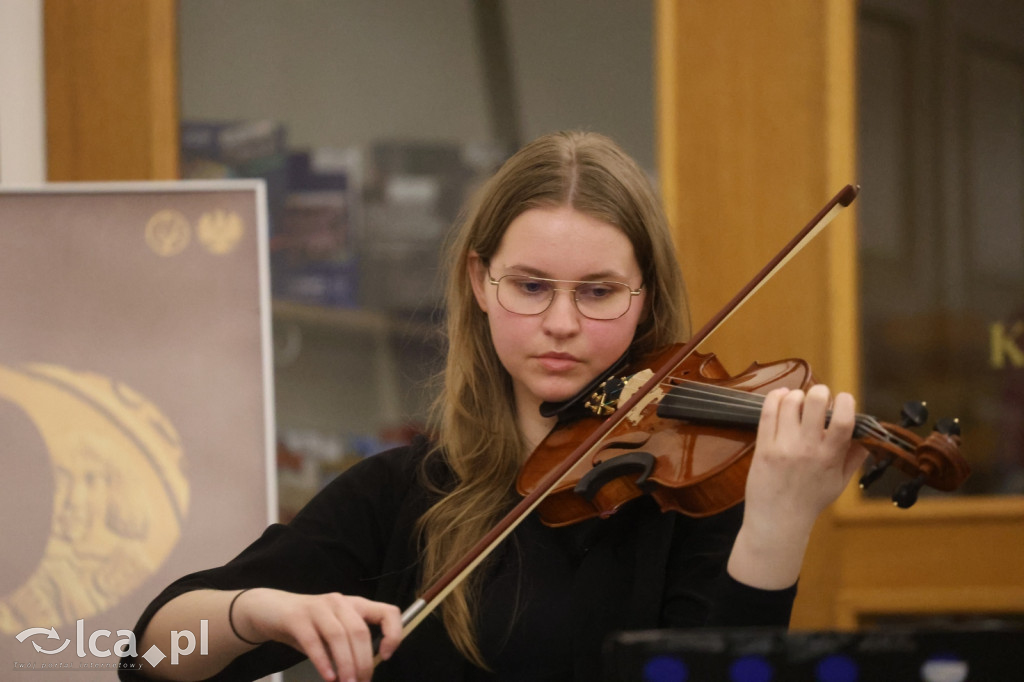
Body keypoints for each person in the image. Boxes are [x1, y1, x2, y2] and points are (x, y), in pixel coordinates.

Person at [122, 131, 866, 682]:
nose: (562, 323)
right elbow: (152, 653)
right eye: (531, 285)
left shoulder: (693, 502)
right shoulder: (402, 495)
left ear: (647, 302)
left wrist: (779, 522)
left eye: (599, 291)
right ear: (482, 283)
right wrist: (259, 610)